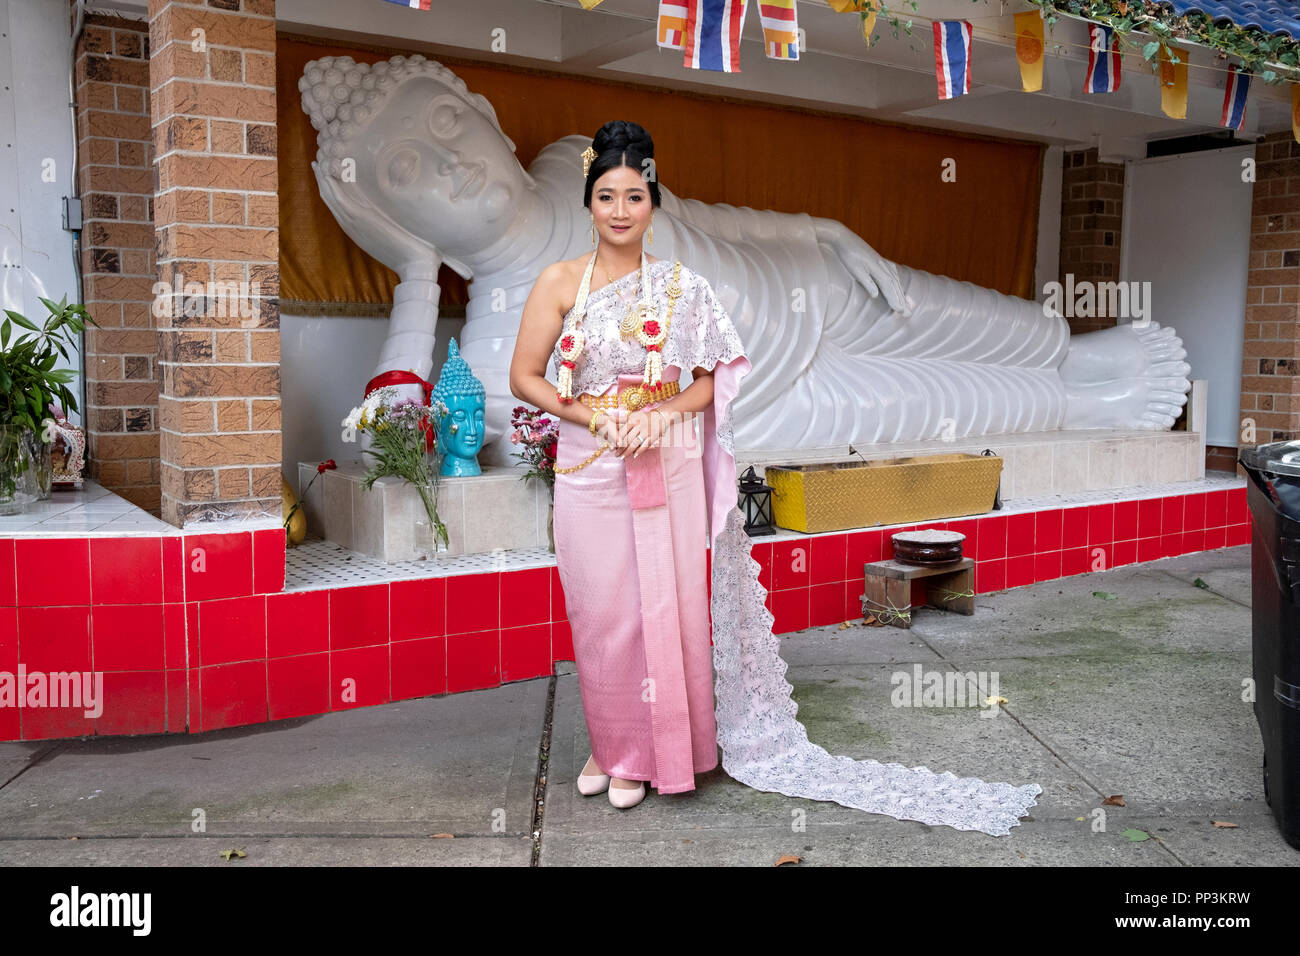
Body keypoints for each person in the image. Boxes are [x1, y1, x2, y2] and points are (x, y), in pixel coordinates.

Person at [509, 121, 1043, 833]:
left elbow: (711, 382)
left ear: (653, 203)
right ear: (588, 202)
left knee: (661, 613)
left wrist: (662, 413)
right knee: (601, 615)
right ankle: (612, 747)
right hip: (588, 465)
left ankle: (656, 752)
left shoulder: (680, 289)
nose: (619, 210)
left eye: (634, 196)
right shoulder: (556, 283)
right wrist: (594, 415)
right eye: (606, 195)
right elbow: (523, 376)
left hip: (661, 465)